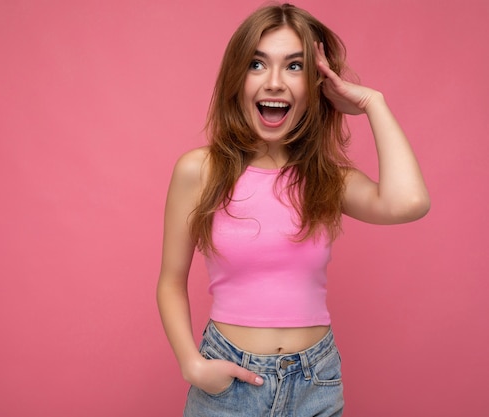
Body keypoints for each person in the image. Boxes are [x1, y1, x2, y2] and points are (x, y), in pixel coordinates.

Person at [156, 3, 430, 416]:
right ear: (237, 78)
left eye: (295, 66)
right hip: (229, 383)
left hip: (315, 381)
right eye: (257, 64)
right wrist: (192, 365)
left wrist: (373, 102)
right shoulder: (199, 170)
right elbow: (170, 282)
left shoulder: (328, 180)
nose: (275, 83)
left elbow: (409, 203)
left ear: (316, 84)